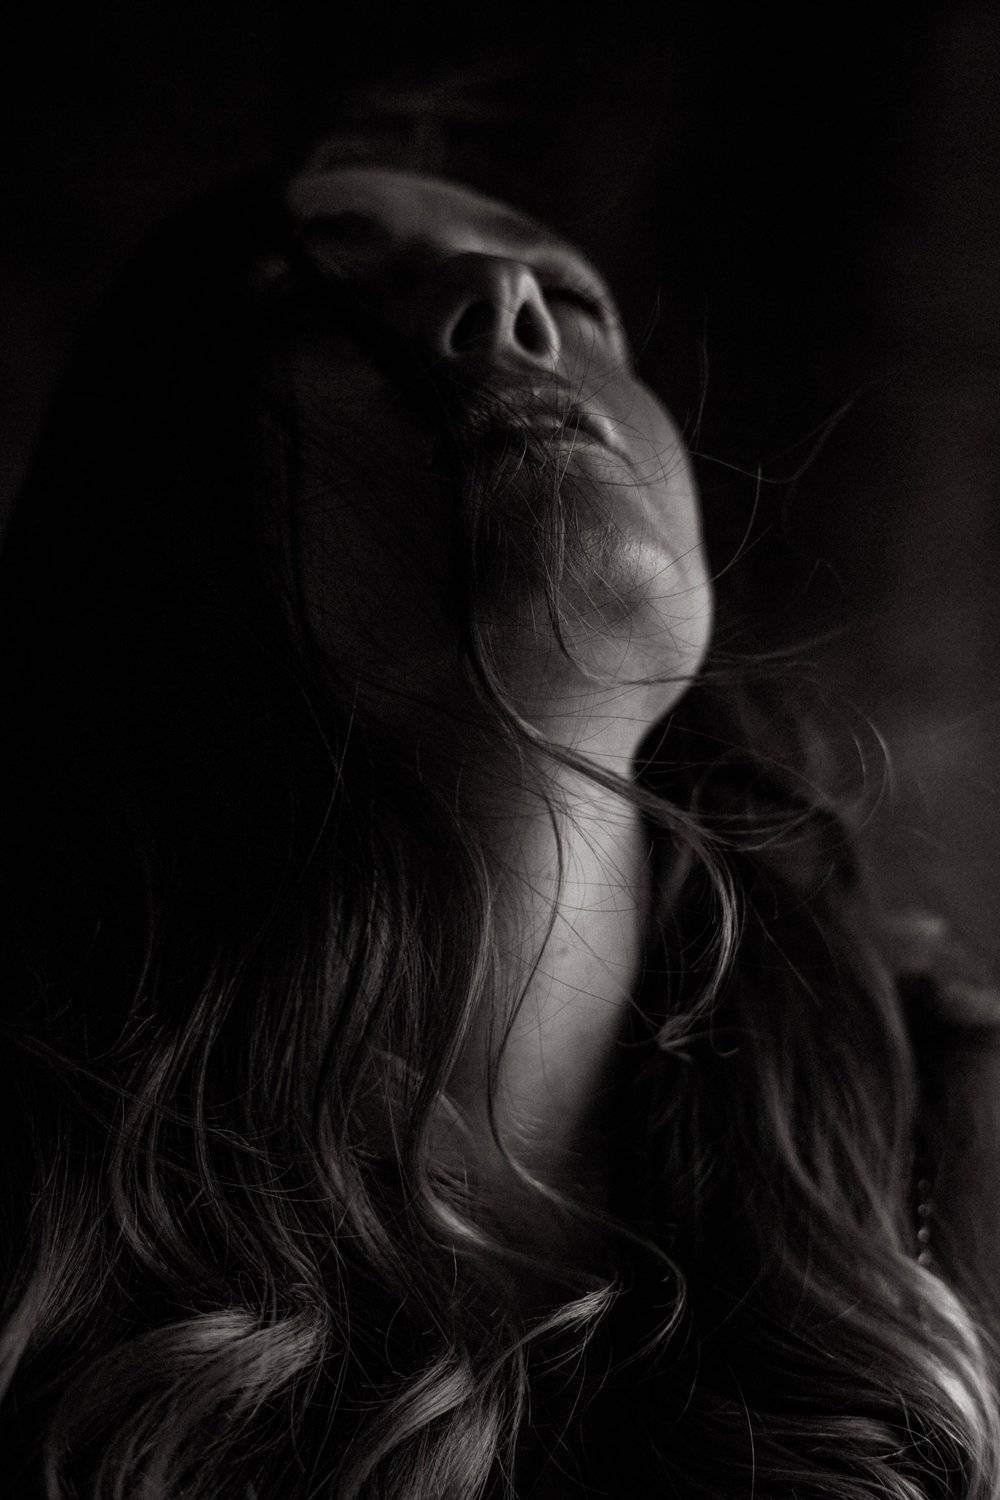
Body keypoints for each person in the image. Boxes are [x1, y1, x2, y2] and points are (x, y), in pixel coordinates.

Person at [1, 152, 999, 1500]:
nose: (508, 298)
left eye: (577, 299)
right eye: (322, 298)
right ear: (147, 539)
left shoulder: (961, 1139)